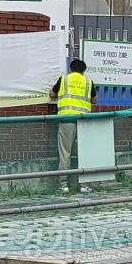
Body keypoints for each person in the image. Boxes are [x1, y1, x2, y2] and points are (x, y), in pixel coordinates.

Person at [49, 59, 96, 194]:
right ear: (84, 70)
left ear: (71, 69)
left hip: (67, 119)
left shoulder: (63, 79)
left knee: (65, 153)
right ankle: (85, 185)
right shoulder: (88, 82)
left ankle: (63, 186)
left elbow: (52, 94)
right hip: (85, 120)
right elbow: (94, 100)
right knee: (85, 153)